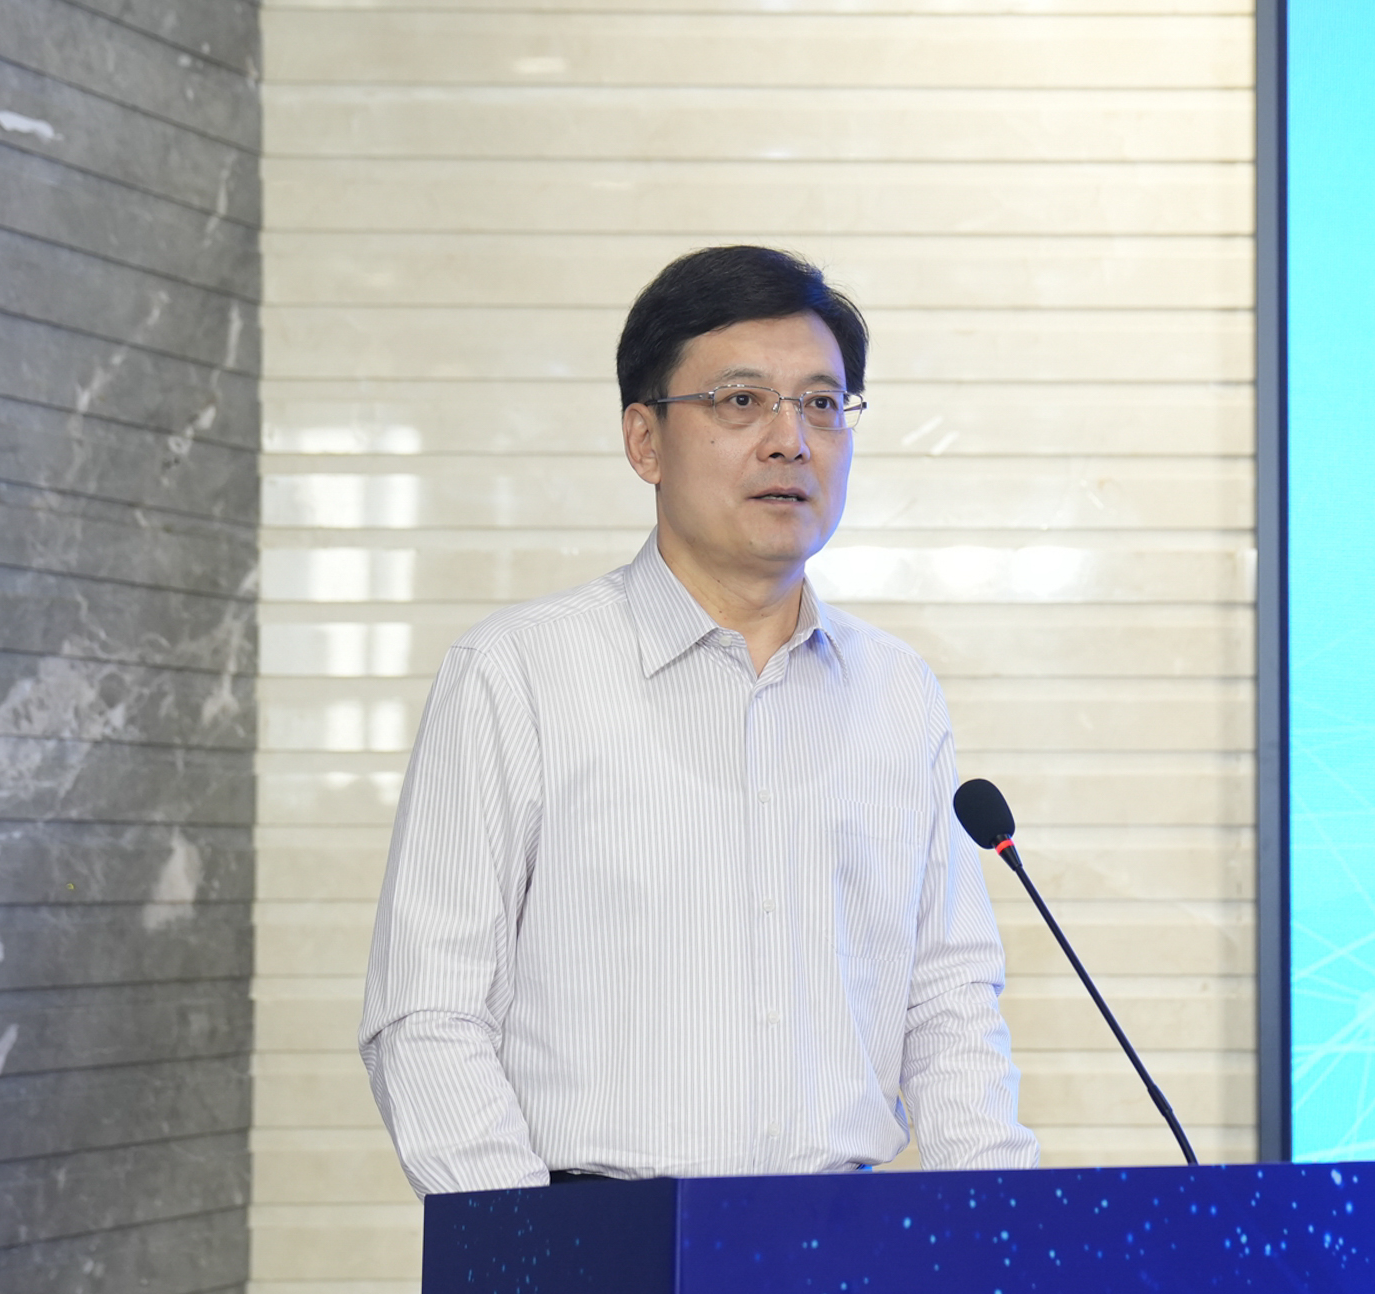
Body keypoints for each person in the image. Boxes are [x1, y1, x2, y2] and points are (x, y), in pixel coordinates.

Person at [359, 245, 1040, 1195]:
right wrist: (536, 1253)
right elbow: (429, 1014)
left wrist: (1000, 1237)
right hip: (597, 1236)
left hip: (843, 1239)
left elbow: (949, 1008)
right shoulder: (518, 675)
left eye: (821, 403)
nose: (790, 440)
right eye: (740, 401)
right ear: (645, 441)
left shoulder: (897, 692)